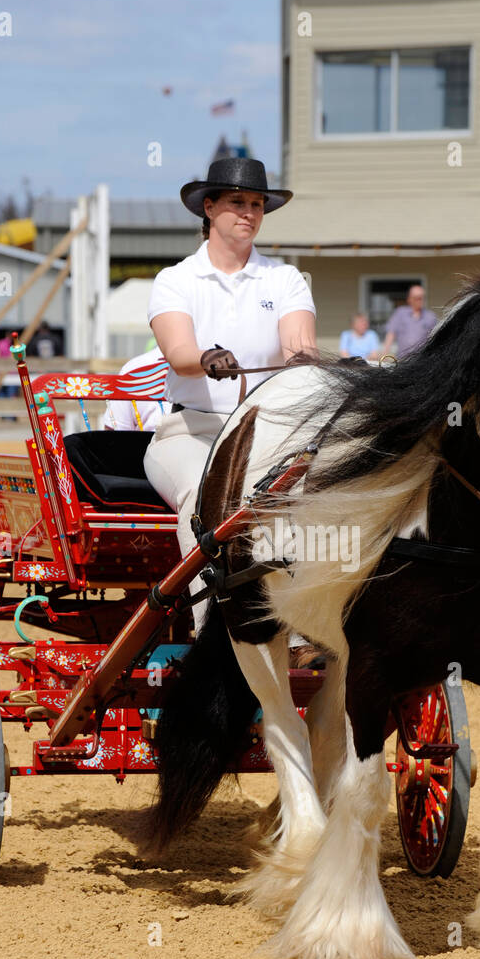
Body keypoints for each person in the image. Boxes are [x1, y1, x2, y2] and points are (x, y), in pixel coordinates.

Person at [143, 156, 317, 649]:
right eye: (237, 201)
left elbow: (299, 352)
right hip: (189, 433)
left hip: (267, 431)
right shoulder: (175, 280)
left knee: (316, 497)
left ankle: (304, 622)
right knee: (203, 498)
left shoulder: (285, 280)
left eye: (258, 203)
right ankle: (209, 635)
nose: (249, 212)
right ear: (209, 207)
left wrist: (311, 368)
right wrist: (206, 357)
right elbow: (178, 354)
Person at [103, 346, 170, 431]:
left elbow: (114, 430)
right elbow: (114, 430)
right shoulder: (135, 367)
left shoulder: (136, 366)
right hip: (150, 441)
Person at [384, 284, 437, 358]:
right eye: (416, 298)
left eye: (421, 297)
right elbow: (391, 333)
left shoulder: (430, 316)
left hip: (422, 360)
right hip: (402, 359)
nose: (419, 300)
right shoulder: (400, 313)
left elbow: (434, 339)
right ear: (409, 299)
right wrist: (385, 353)